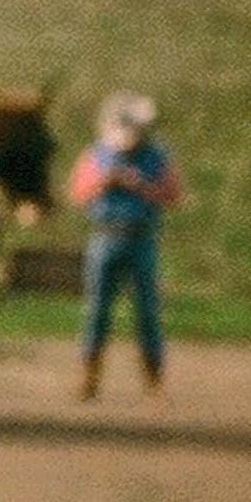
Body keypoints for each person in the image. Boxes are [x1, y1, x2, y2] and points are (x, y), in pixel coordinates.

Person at [72, 92, 184, 400]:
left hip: (141, 238)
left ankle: (154, 378)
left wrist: (141, 187)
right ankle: (89, 375)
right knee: (97, 310)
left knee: (147, 310)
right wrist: (104, 182)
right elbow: (79, 193)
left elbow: (173, 194)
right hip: (105, 236)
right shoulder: (96, 154)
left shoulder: (157, 156)